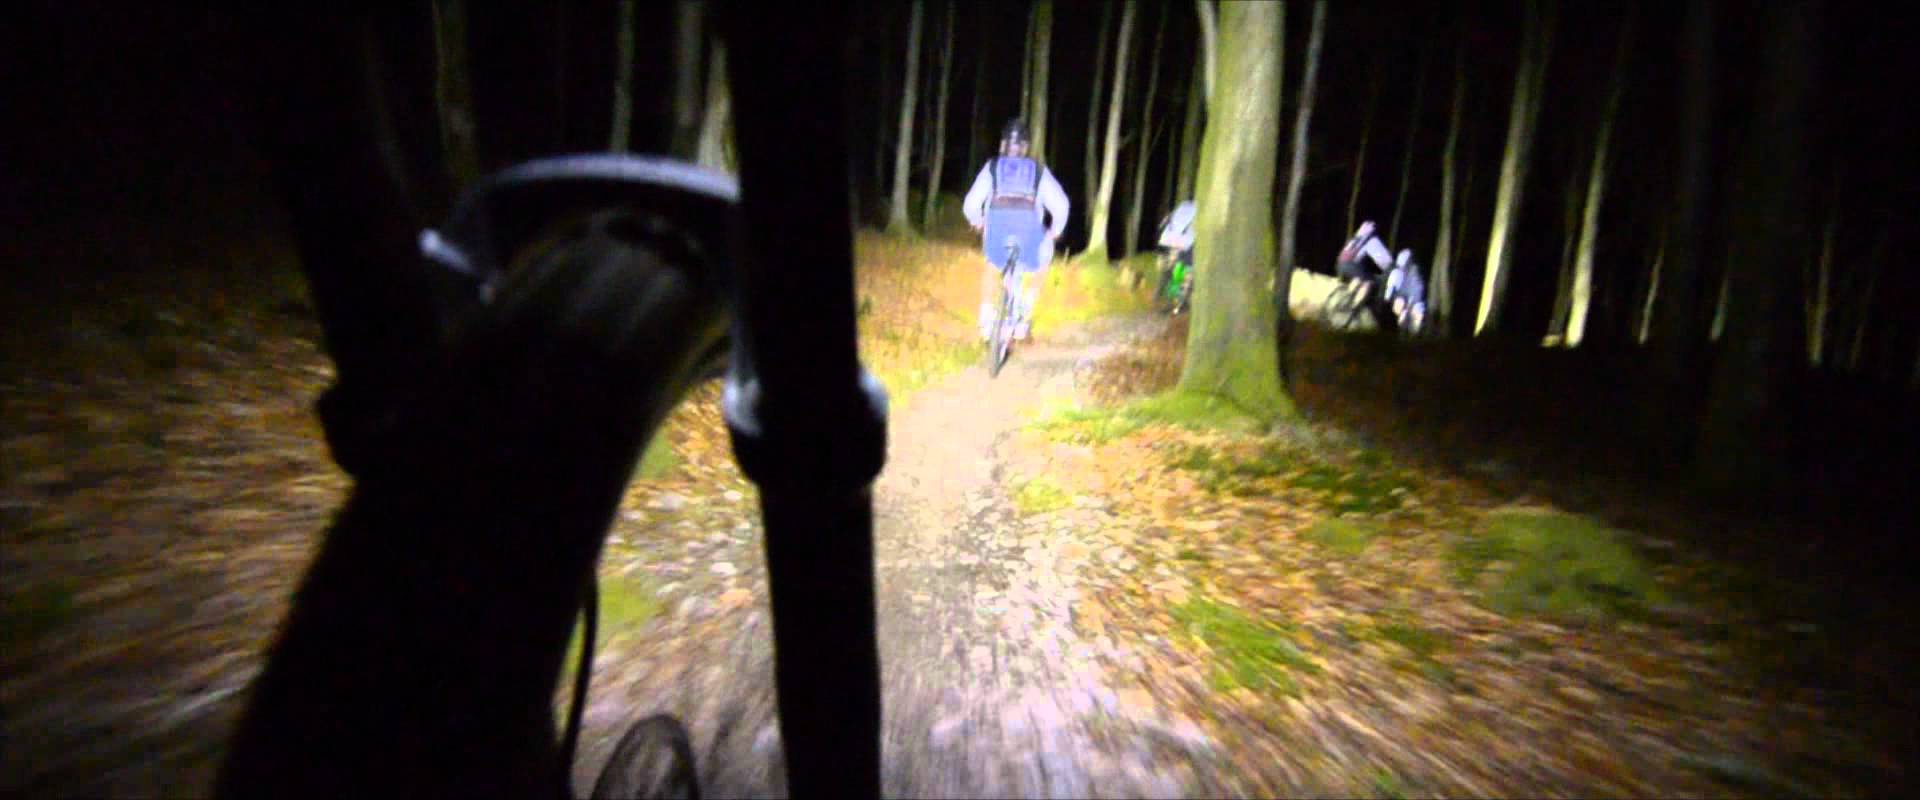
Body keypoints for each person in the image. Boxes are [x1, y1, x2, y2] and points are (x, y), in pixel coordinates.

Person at [961, 118, 1070, 341]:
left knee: (992, 264)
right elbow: (1061, 205)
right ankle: (1025, 314)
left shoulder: (992, 167)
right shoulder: (1038, 171)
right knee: (1043, 260)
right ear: (1025, 147)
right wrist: (1055, 230)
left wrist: (977, 220)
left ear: (1004, 144)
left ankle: (985, 317)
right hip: (1029, 234)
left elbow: (970, 203)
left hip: (996, 231)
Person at [1335, 219, 1394, 294]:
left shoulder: (1357, 236)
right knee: (1369, 280)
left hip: (1340, 264)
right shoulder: (1371, 239)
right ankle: (1356, 300)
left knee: (1360, 276)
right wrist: (1390, 268)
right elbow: (1384, 260)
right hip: (1351, 264)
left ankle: (1348, 295)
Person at [1384, 248, 1427, 333]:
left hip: (1412, 298)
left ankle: (1414, 329)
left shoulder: (1413, 272)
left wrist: (1407, 306)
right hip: (1405, 296)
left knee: (1416, 311)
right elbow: (1390, 293)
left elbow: (1416, 290)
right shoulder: (1397, 273)